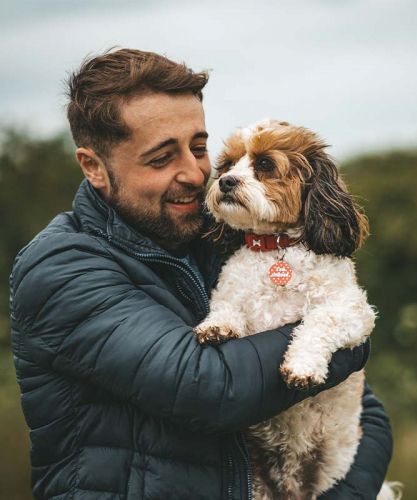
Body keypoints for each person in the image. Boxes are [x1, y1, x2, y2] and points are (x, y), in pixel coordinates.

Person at [9, 48, 392, 499]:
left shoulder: (230, 236)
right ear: (94, 167)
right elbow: (208, 388)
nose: (196, 174)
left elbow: (368, 415)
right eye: (161, 158)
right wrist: (339, 326)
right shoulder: (60, 267)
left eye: (199, 148)